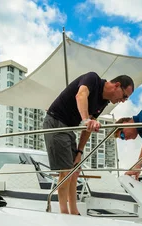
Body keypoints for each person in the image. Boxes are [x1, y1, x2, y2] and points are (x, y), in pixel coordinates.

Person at [44, 72, 134, 214]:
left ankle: (74, 211)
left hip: (69, 128)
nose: (123, 101)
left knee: (75, 170)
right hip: (55, 122)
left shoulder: (103, 102)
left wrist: (79, 152)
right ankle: (64, 213)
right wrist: (86, 120)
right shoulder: (93, 79)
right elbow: (81, 95)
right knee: (66, 171)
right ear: (117, 85)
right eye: (124, 96)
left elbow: (87, 130)